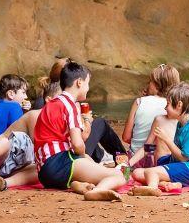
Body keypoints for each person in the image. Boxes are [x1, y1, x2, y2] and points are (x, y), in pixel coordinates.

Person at [33, 61, 127, 201]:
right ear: (79, 83)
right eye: (88, 83)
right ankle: (97, 191)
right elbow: (77, 144)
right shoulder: (70, 105)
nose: (88, 88)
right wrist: (83, 158)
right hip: (59, 164)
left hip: (44, 172)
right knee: (119, 177)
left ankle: (78, 184)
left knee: (90, 163)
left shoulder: (52, 103)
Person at [41, 57, 127, 165]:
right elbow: (80, 138)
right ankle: (120, 157)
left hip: (48, 157)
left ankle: (102, 156)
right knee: (100, 123)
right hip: (68, 156)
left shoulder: (48, 95)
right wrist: (86, 120)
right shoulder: (68, 102)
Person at [130, 82, 189, 196]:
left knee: (151, 172)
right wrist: (129, 163)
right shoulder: (180, 123)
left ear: (179, 105)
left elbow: (185, 159)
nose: (165, 108)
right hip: (178, 163)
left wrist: (166, 139)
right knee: (137, 173)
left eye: (168, 104)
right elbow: (148, 147)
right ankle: (172, 183)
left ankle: (151, 188)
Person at [122, 64, 179, 160]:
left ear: (156, 85)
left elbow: (126, 137)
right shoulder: (175, 108)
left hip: (136, 159)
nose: (148, 84)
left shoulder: (139, 102)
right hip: (162, 160)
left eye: (150, 81)